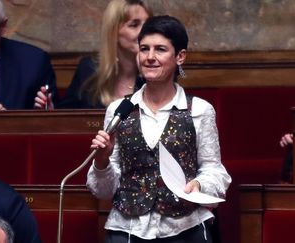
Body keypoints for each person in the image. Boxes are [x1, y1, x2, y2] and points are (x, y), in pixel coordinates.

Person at [86, 15, 231, 242]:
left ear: (180, 56)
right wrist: (102, 161)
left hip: (185, 230)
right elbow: (103, 191)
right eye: (144, 49)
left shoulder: (200, 110)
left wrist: (200, 184)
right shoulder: (119, 110)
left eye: (160, 49)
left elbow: (215, 171)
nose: (150, 57)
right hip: (128, 230)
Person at [57, 0, 151, 109]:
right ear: (113, 32)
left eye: (148, 24)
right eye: (134, 25)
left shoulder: (157, 69)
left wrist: (147, 75)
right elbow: (66, 116)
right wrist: (49, 110)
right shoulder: (89, 69)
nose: (145, 32)